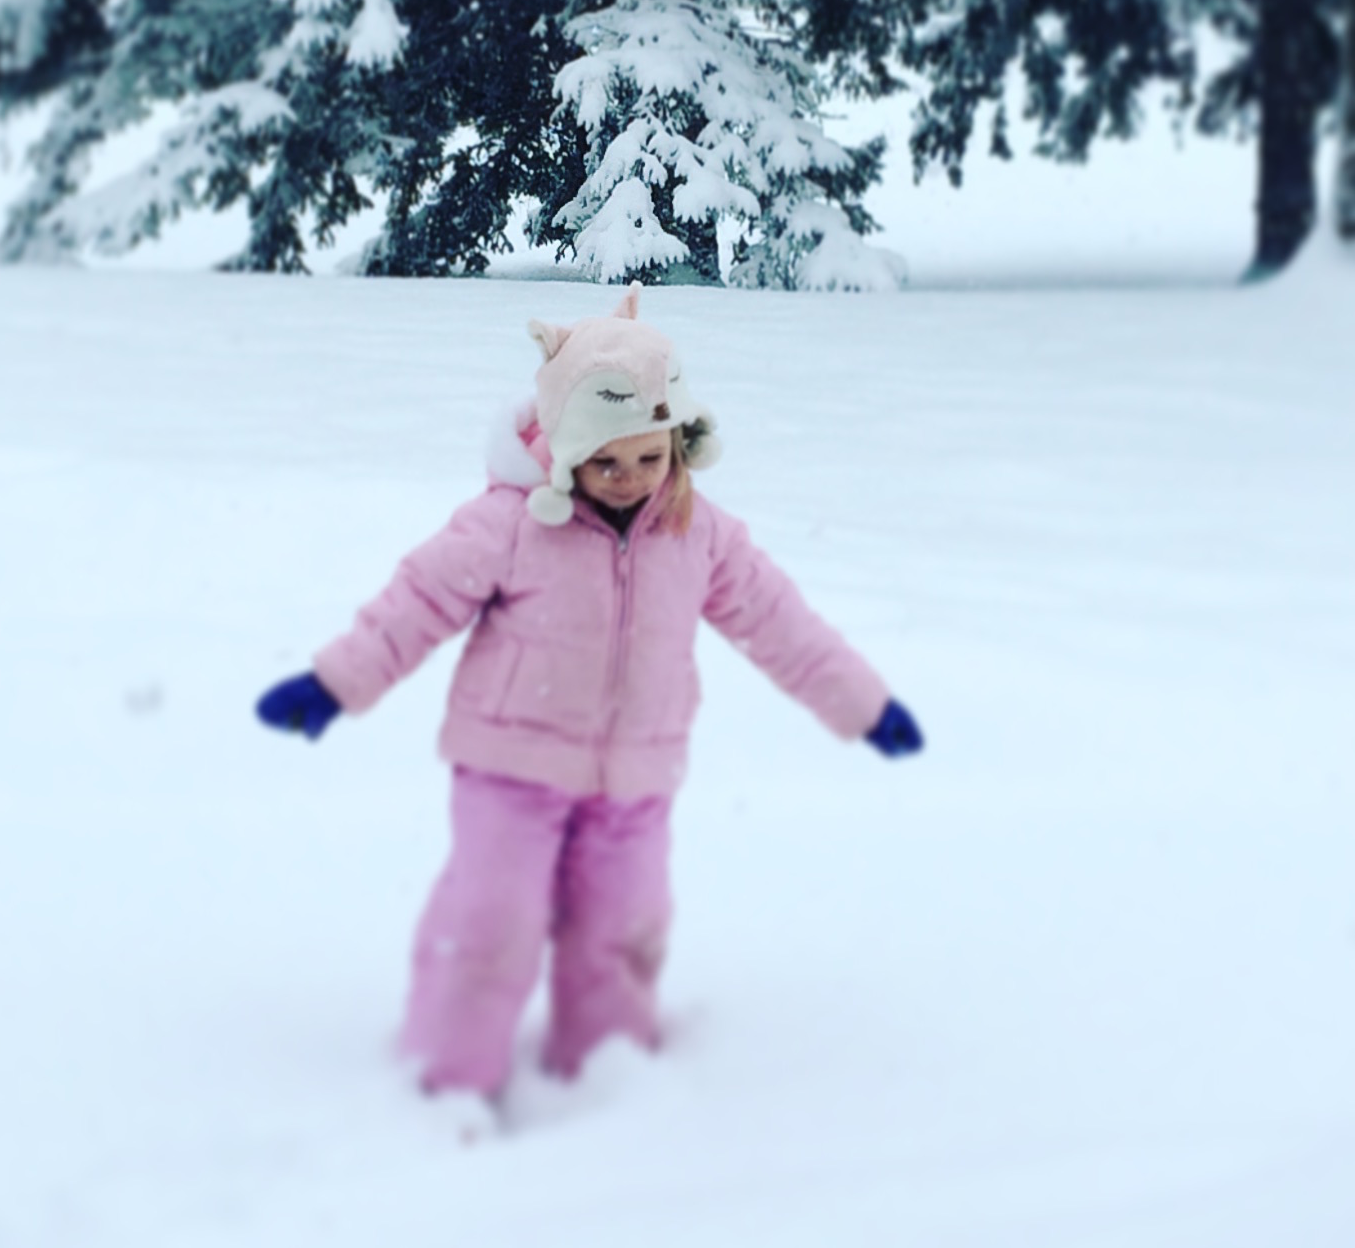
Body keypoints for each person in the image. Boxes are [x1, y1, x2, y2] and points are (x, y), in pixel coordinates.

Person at [253, 288, 923, 1104]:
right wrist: (333, 683)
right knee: (492, 922)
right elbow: (416, 604)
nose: (631, 480)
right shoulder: (508, 524)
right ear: (567, 449)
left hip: (634, 778)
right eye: (606, 462)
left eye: (650, 458)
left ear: (677, 442)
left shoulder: (697, 532)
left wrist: (861, 704)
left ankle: (607, 1087)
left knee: (622, 930)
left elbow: (780, 623)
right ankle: (447, 1079)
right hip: (512, 768)